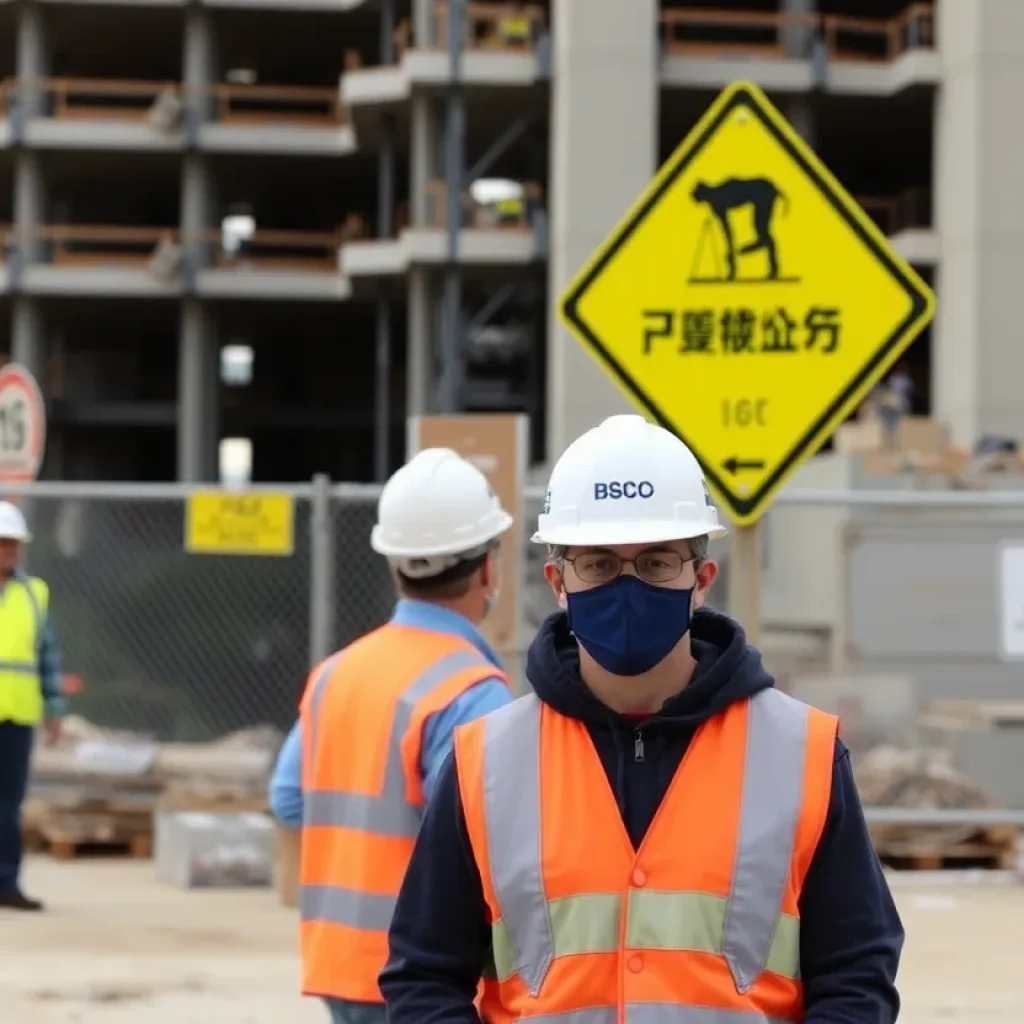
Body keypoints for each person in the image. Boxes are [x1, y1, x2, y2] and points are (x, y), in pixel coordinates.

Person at [380, 414, 905, 1024]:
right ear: (558, 581)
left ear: (701, 578)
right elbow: (423, 974)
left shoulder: (802, 752)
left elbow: (857, 972)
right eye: (598, 564)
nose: (626, 585)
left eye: (656, 562)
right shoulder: (485, 762)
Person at [269, 447, 516, 1024]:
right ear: (488, 569)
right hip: (426, 973)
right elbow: (486, 848)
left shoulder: (336, 673)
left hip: (340, 963)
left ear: (394, 564)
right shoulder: (472, 690)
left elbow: (287, 798)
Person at [0, 501, 65, 913]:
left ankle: (6, 882)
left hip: (18, 715)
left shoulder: (33, 593)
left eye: (15, 544)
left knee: (9, 806)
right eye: (5, 544)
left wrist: (54, 707)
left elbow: (48, 655)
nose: (11, 551)